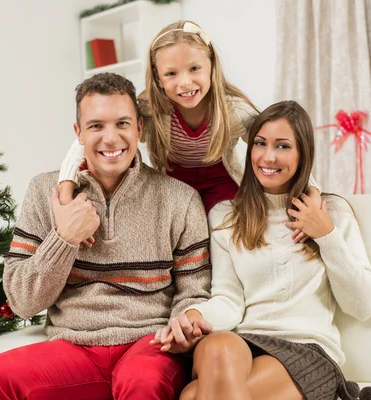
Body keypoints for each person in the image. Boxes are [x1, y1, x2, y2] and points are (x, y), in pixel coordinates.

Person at [0, 72, 212, 400]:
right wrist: (64, 237)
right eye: (96, 126)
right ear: (78, 133)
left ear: (139, 128)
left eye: (122, 124)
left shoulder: (179, 198)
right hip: (73, 348)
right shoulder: (45, 191)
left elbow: (194, 292)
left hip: (149, 345)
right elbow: (23, 303)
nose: (111, 139)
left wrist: (185, 325)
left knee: (143, 383)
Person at [152, 101, 371, 400]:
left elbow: (363, 305)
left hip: (307, 350)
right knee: (217, 345)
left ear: (303, 155)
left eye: (283, 146)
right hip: (243, 344)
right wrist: (194, 314)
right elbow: (228, 299)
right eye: (260, 143)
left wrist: (326, 235)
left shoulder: (332, 212)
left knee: (194, 395)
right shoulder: (225, 216)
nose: (268, 156)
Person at [57, 20, 321, 249]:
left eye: (194, 68)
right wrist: (66, 189)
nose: (185, 82)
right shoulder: (151, 110)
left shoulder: (232, 110)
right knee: (170, 233)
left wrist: (314, 193)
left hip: (221, 179)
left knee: (224, 228)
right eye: (171, 73)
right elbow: (87, 141)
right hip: (173, 181)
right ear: (159, 79)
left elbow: (278, 141)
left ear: (211, 66)